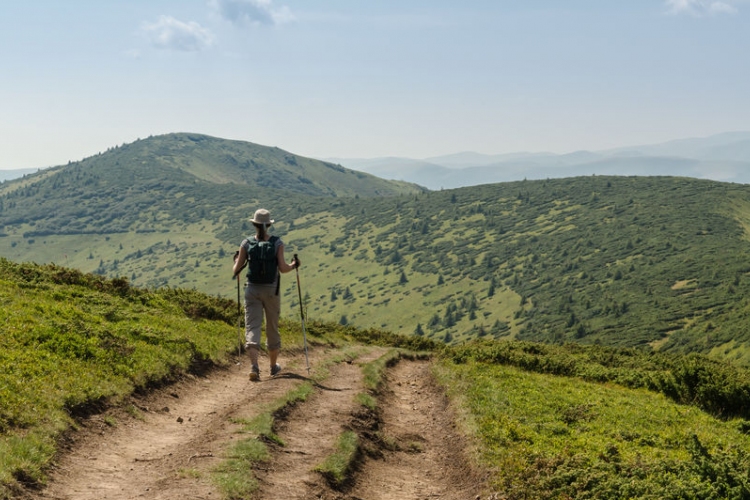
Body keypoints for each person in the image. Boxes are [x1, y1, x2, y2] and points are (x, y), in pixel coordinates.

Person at [232, 208, 299, 381]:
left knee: (252, 327)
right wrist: (294, 265)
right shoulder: (277, 243)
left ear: (254, 224)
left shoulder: (246, 243)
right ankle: (272, 366)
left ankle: (254, 366)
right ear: (269, 225)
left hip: (252, 289)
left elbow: (236, 270)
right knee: (272, 326)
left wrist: (235, 261)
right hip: (271, 290)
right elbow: (283, 269)